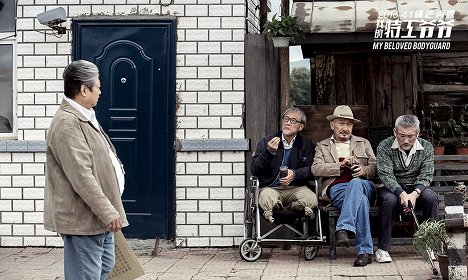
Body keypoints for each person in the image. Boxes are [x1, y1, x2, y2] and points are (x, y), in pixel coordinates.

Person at [44, 60, 128, 279]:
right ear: (83, 89)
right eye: (97, 86)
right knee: (85, 275)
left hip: (98, 217)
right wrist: (108, 212)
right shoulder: (67, 123)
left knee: (106, 268)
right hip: (83, 219)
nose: (100, 91)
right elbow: (82, 176)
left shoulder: (84, 116)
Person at [312, 105, 376, 267]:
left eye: (349, 124)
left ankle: (343, 228)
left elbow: (375, 167)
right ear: (332, 125)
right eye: (341, 123)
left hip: (364, 185)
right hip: (337, 188)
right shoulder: (323, 145)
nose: (345, 128)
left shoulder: (363, 143)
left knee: (356, 184)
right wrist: (340, 165)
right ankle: (364, 252)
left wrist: (363, 170)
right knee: (360, 202)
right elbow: (315, 168)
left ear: (353, 127)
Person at [376, 115, 438, 263]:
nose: (405, 140)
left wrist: (414, 194)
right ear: (395, 132)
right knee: (389, 200)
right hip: (391, 188)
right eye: (402, 135)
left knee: (431, 198)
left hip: (416, 189)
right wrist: (402, 194)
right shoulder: (384, 146)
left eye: (410, 136)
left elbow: (426, 175)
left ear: (418, 133)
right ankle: (383, 249)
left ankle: (432, 247)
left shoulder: (426, 147)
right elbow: (385, 175)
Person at [251, 107, 318, 223]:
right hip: (271, 188)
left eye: (293, 121)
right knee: (265, 198)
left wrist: (295, 174)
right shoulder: (267, 141)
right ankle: (278, 206)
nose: (287, 123)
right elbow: (254, 170)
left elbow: (311, 169)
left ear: (301, 127)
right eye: (286, 119)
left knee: (311, 199)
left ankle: (291, 206)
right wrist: (269, 153)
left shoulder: (306, 145)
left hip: (296, 188)